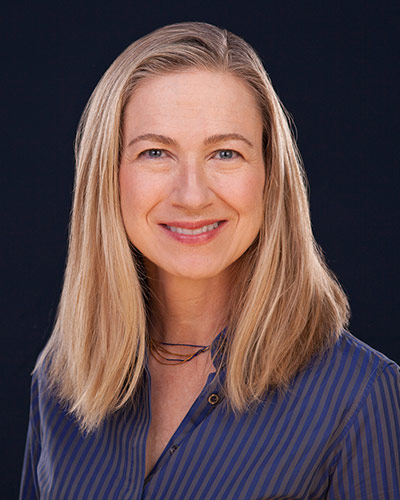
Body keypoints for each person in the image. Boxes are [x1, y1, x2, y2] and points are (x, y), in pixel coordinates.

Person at [20, 22, 400, 500]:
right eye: (155, 152)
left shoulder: (360, 395)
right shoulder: (61, 377)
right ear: (108, 178)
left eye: (225, 153)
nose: (193, 195)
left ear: (269, 176)